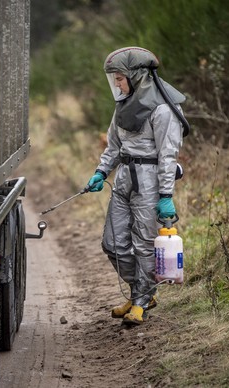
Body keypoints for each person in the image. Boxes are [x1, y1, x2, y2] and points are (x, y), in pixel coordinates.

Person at [86, 46, 186, 325]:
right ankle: (140, 292)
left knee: (143, 245)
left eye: (119, 78)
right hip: (123, 181)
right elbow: (114, 146)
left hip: (149, 181)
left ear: (137, 76)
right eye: (114, 79)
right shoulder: (123, 105)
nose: (116, 84)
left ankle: (141, 300)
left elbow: (168, 156)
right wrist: (101, 171)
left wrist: (166, 194)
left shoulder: (164, 109)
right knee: (112, 243)